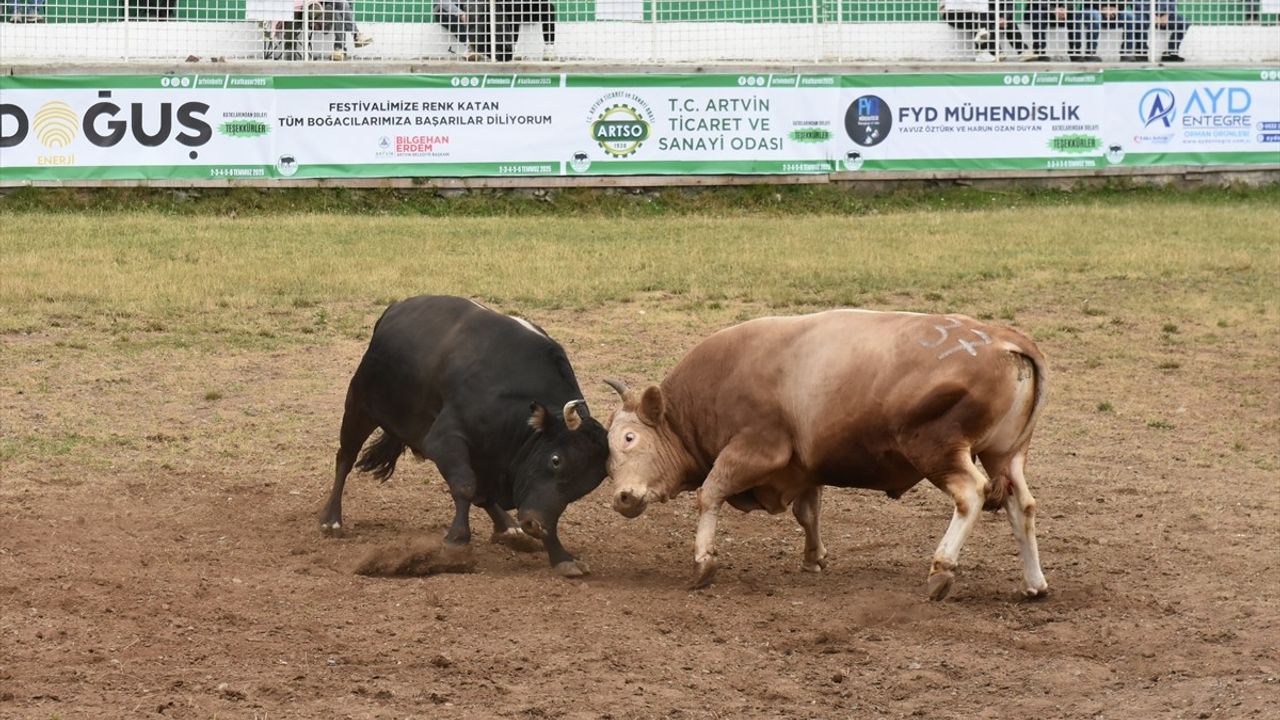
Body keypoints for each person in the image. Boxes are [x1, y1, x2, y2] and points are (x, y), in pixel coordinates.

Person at [940, 0, 1027, 61]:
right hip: (977, 14)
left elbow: (1009, 5)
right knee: (979, 19)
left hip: (990, 14)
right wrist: (997, 18)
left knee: (1009, 22)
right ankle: (993, 52)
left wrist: (1003, 17)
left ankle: (1023, 51)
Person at [1074, 1, 1138, 61]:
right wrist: (1102, 8)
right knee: (1095, 15)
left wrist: (1117, 8)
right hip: (1093, 9)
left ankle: (1126, 53)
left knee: (1130, 16)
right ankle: (1090, 53)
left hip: (1116, 11)